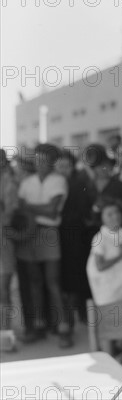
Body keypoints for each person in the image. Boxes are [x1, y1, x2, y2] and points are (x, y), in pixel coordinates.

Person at [15, 144, 72, 348]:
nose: (38, 162)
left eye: (43, 159)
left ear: (52, 161)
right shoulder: (27, 181)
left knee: (53, 282)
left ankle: (64, 329)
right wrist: (40, 209)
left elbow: (52, 211)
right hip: (28, 234)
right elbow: (23, 209)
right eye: (36, 159)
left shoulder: (59, 180)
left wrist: (30, 207)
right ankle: (38, 327)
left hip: (49, 233)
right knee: (34, 283)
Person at [55, 150, 94, 328]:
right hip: (57, 237)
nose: (63, 170)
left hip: (76, 237)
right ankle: (65, 317)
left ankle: (82, 313)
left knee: (76, 275)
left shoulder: (78, 184)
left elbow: (84, 211)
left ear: (72, 167)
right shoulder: (54, 184)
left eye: (66, 166)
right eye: (60, 166)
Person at [86, 198, 122, 305]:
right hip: (110, 289)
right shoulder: (99, 238)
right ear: (102, 218)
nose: (115, 216)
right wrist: (121, 254)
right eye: (110, 214)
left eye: (117, 212)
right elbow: (100, 265)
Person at [0, 149, 19, 351]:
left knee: (3, 292)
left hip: (3, 242)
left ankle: (5, 339)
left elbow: (9, 215)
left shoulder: (8, 183)